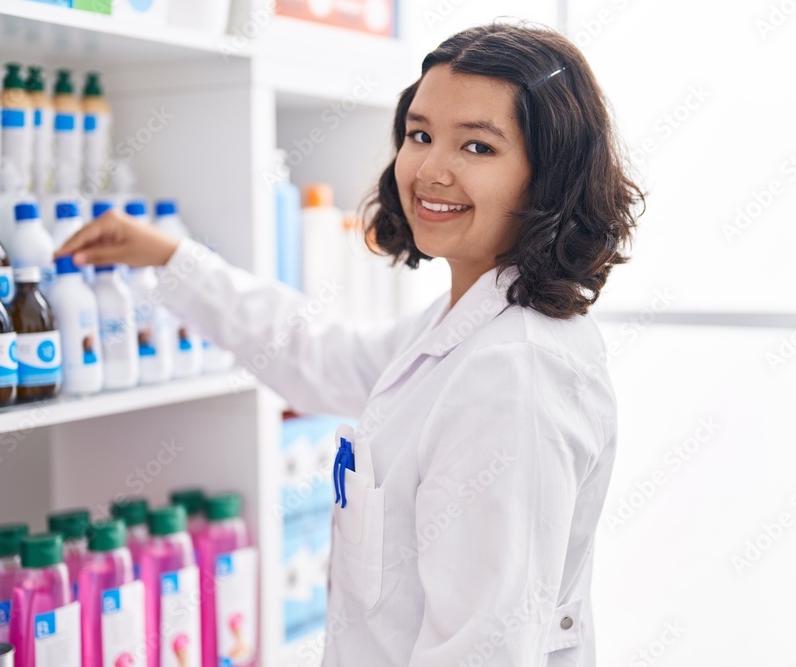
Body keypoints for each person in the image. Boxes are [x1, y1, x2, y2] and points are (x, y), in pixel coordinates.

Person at [57, 22, 643, 667]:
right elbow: (322, 358)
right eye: (420, 135)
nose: (430, 169)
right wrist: (173, 259)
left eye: (477, 146)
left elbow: (483, 650)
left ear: (550, 178)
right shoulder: (461, 324)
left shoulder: (514, 370)